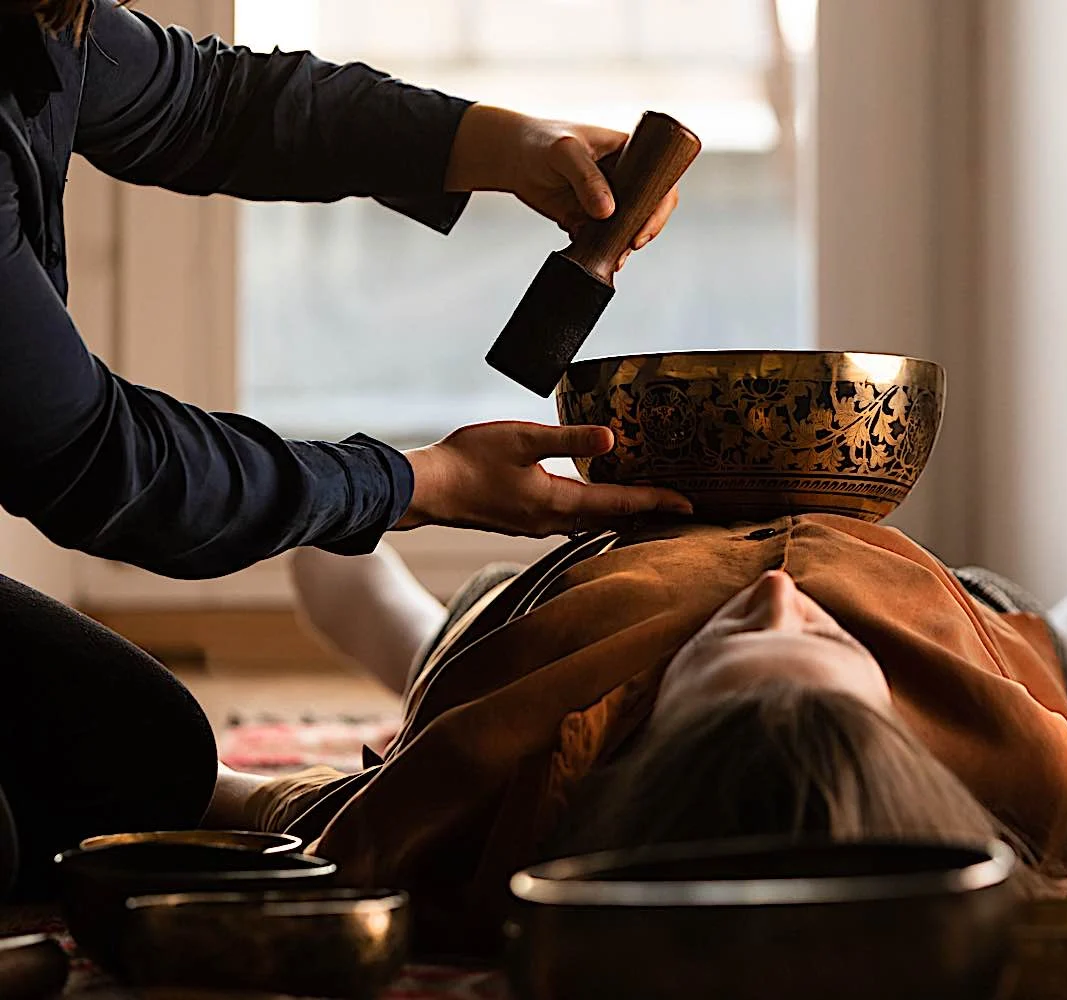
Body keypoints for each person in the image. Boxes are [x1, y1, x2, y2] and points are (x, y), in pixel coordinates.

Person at [0, 0, 691, 899]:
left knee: (146, 751)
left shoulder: (43, 17)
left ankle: (389, 678)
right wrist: (416, 482)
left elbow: (206, 102)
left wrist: (506, 143)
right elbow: (101, 461)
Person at [209, 512, 1067, 955]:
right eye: (826, 649)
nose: (780, 599)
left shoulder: (513, 778)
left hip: (594, 584)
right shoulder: (1028, 786)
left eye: (729, 649)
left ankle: (411, 631)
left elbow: (296, 824)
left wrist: (212, 787)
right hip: (920, 593)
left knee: (475, 660)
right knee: (1027, 659)